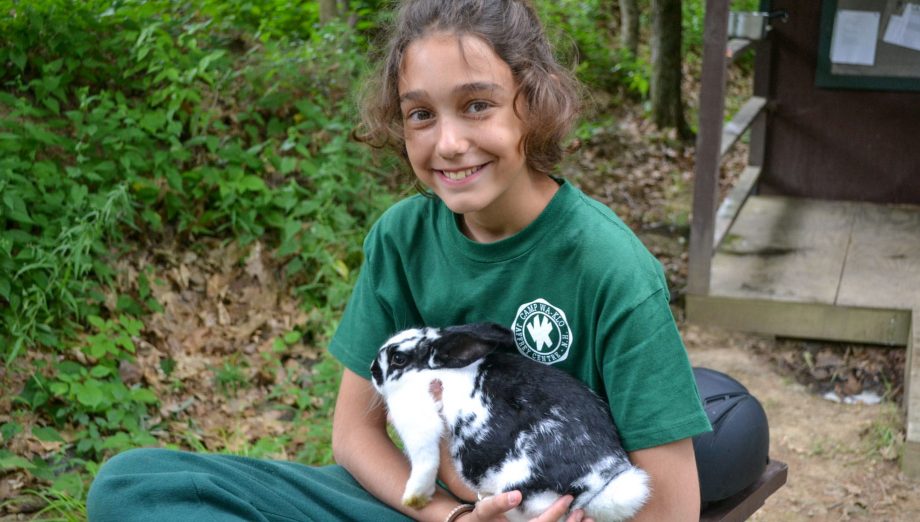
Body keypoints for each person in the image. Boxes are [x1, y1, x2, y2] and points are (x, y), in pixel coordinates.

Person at [87, 1, 711, 520]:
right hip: (432, 511)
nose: (448, 143)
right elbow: (355, 435)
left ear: (534, 101)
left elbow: (675, 503)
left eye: (476, 105)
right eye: (421, 114)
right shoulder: (401, 238)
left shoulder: (610, 265)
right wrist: (450, 516)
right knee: (133, 483)